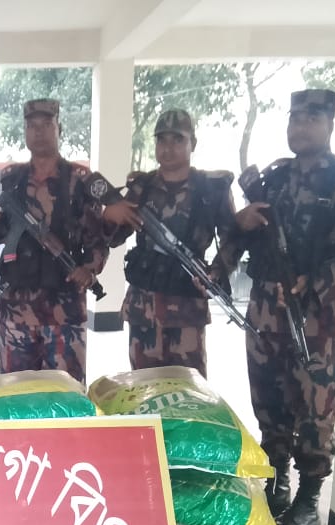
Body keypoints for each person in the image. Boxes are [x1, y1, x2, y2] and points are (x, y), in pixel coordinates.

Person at [220, 89, 335, 525]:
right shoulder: (275, 177)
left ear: (330, 123)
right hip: (265, 307)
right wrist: (239, 225)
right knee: (268, 394)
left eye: (312, 118)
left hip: (313, 315)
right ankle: (276, 479)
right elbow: (244, 234)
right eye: (295, 118)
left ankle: (309, 496)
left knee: (315, 401)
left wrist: (316, 284)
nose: (301, 126)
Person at [101, 109, 240, 377]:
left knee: (188, 390)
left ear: (192, 143)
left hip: (186, 309)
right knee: (144, 389)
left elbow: (231, 238)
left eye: (177, 139)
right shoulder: (141, 187)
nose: (168, 148)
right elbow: (114, 238)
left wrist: (217, 271)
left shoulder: (211, 189)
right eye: (161, 140)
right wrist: (108, 216)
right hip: (144, 310)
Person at [0, 98, 108, 385]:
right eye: (32, 126)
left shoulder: (79, 180)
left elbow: (97, 237)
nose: (39, 132)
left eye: (46, 124)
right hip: (16, 307)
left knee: (66, 392)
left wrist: (89, 269)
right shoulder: (12, 179)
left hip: (64, 309)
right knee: (16, 394)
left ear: (59, 129)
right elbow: (1, 233)